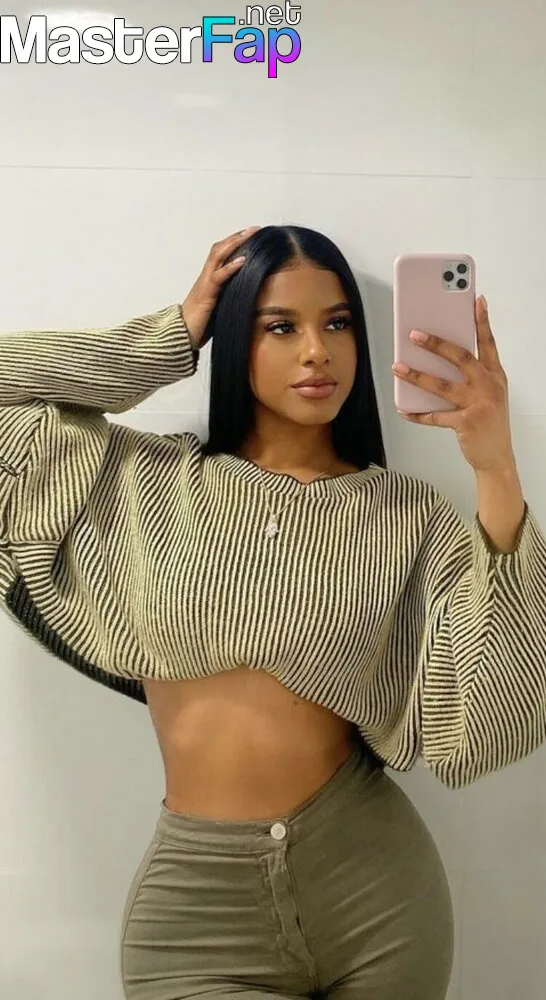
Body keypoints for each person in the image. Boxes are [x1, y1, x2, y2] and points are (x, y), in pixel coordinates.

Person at [1, 225, 545, 1000]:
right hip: (195, 914)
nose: (317, 351)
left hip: (375, 891)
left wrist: (496, 467)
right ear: (234, 336)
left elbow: (497, 716)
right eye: (280, 326)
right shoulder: (144, 482)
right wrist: (171, 337)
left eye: (337, 323)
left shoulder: (409, 517)